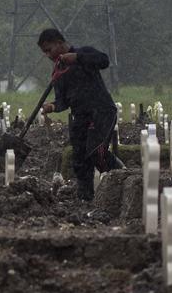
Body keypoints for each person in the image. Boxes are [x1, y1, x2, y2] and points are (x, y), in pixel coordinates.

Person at [37, 28, 121, 201]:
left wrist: (77, 58)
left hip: (101, 111)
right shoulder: (59, 73)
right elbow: (63, 102)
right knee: (80, 159)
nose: (47, 55)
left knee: (96, 150)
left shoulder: (84, 53)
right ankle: (85, 198)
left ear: (59, 43)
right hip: (81, 117)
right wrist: (51, 107)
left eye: (49, 49)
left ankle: (123, 178)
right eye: (44, 52)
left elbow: (104, 61)